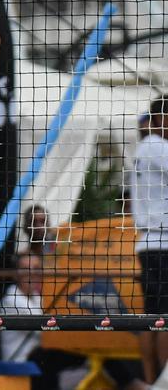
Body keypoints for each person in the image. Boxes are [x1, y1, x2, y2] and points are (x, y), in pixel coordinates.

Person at [1, 253, 147, 390]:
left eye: (36, 268)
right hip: (22, 359)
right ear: (15, 274)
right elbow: (46, 333)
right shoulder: (11, 300)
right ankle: (131, 383)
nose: (32, 273)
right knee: (73, 348)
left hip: (44, 353)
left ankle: (129, 382)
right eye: (26, 269)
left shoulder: (37, 296)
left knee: (95, 344)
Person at [134, 96, 168, 384]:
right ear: (160, 119)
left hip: (151, 243)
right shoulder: (157, 146)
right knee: (162, 320)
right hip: (161, 243)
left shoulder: (146, 147)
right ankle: (161, 382)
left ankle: (152, 381)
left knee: (152, 318)